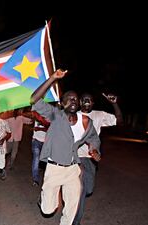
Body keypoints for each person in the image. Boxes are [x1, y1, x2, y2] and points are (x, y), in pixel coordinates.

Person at [30, 69, 101, 225]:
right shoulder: (56, 115)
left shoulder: (85, 122)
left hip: (73, 169)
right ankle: (44, 199)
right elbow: (34, 100)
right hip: (54, 169)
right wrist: (53, 78)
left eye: (75, 99)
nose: (73, 101)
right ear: (62, 104)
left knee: (71, 209)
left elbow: (94, 138)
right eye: (68, 99)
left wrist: (94, 149)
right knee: (48, 209)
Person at [72, 92, 123, 225]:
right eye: (84, 100)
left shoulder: (99, 115)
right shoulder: (73, 116)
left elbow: (119, 121)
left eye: (89, 100)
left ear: (93, 103)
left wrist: (114, 104)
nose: (87, 102)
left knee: (88, 189)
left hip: (90, 158)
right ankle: (75, 221)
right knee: (81, 190)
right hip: (76, 158)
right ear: (80, 102)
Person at [29, 110, 50, 187]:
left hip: (46, 142)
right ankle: (35, 179)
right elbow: (30, 115)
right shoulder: (36, 114)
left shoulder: (49, 116)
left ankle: (46, 180)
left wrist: (40, 129)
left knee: (46, 161)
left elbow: (50, 128)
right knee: (36, 159)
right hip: (36, 140)